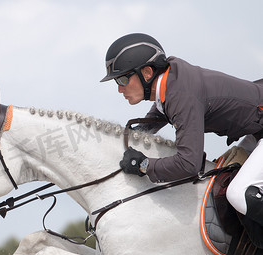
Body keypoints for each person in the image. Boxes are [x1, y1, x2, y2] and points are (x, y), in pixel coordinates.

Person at [100, 33, 263, 235]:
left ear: (147, 73)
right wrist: (134, 135)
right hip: (256, 128)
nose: (119, 89)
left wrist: (143, 165)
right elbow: (159, 113)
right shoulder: (170, 80)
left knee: (238, 193)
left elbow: (189, 164)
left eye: (123, 79)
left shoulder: (181, 95)